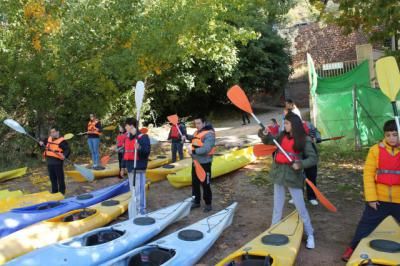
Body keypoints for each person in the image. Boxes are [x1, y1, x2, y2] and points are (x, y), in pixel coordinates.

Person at [341, 119, 400, 261]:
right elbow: (368, 175)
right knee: (365, 226)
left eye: (395, 134)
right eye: (388, 135)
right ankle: (352, 248)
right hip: (378, 200)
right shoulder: (375, 150)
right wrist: (371, 198)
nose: (391, 138)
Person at [258, 112, 318, 249]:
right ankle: (273, 230)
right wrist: (265, 133)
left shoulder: (304, 140)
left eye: (286, 123)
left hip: (293, 176)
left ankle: (310, 234)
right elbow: (268, 141)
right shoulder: (281, 136)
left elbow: (313, 158)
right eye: (284, 123)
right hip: (279, 174)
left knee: (301, 208)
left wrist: (300, 164)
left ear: (294, 125)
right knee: (277, 207)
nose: (284, 125)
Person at [121, 118, 151, 217]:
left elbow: (146, 152)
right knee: (133, 191)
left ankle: (141, 212)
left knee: (139, 191)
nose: (125, 127)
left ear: (131, 126)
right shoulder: (127, 138)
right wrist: (122, 167)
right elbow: (126, 153)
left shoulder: (143, 137)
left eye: (126, 125)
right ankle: (136, 211)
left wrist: (140, 148)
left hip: (138, 168)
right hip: (130, 168)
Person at [187, 116, 216, 212]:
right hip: (195, 162)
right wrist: (185, 137)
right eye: (195, 123)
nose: (197, 125)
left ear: (204, 123)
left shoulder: (209, 134)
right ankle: (196, 201)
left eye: (199, 123)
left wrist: (193, 152)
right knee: (195, 183)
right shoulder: (196, 132)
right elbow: (194, 141)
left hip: (205, 163)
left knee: (205, 184)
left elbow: (206, 149)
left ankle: (208, 204)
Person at [39, 126, 70, 195]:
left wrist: (64, 155)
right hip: (49, 161)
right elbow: (42, 145)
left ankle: (62, 192)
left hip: (57, 161)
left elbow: (67, 150)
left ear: (57, 132)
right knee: (52, 178)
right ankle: (54, 192)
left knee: (60, 178)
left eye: (53, 132)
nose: (52, 134)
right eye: (51, 132)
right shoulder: (48, 139)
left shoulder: (62, 141)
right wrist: (40, 144)